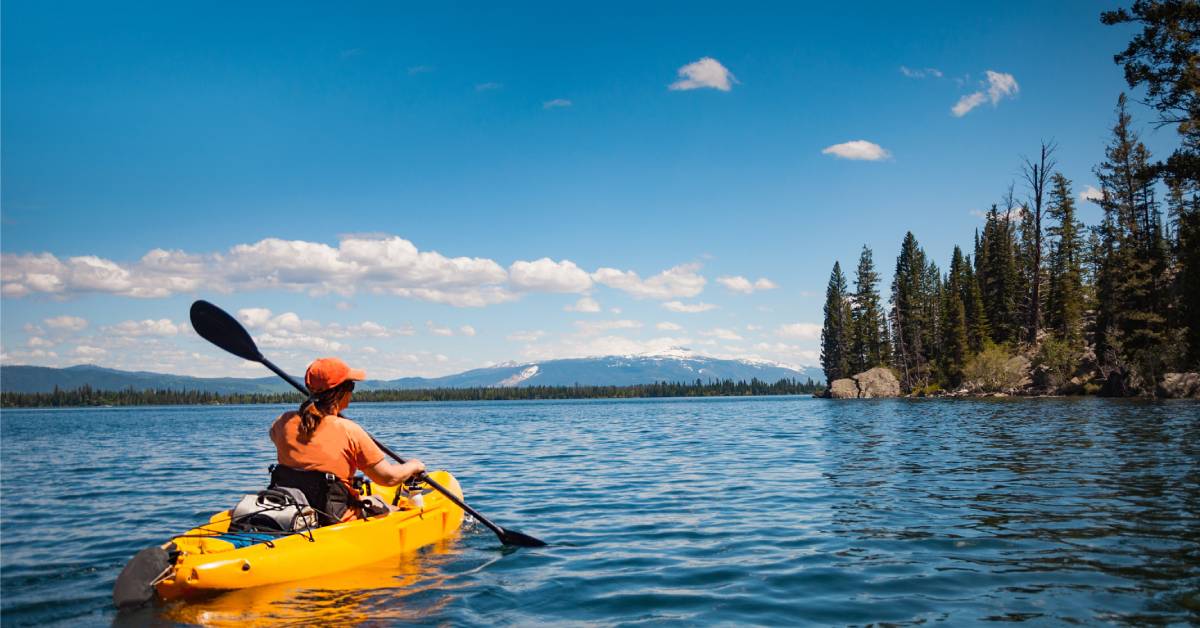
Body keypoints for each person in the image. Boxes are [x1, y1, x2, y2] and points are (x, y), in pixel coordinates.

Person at [269, 357, 424, 523]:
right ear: (340, 391)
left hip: (292, 511)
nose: (351, 392)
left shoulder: (282, 422)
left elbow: (275, 436)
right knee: (386, 507)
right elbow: (388, 478)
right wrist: (414, 465)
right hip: (336, 517)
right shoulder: (349, 430)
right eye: (351, 386)